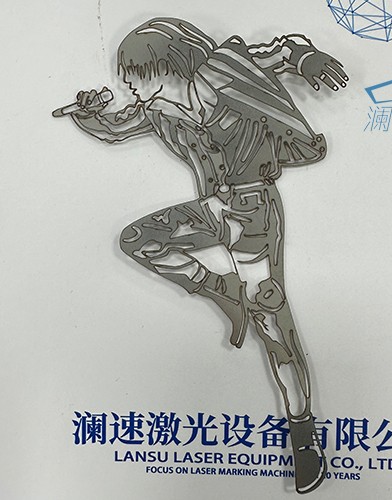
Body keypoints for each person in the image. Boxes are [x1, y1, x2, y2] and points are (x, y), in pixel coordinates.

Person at [69, 18, 348, 494]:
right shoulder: (159, 110)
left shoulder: (224, 72)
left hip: (252, 212)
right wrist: (84, 111)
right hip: (211, 209)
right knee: (138, 239)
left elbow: (281, 52)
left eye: (132, 73)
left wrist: (306, 58)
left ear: (162, 66)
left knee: (272, 324)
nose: (128, 84)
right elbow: (113, 130)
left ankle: (303, 437)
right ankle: (223, 291)